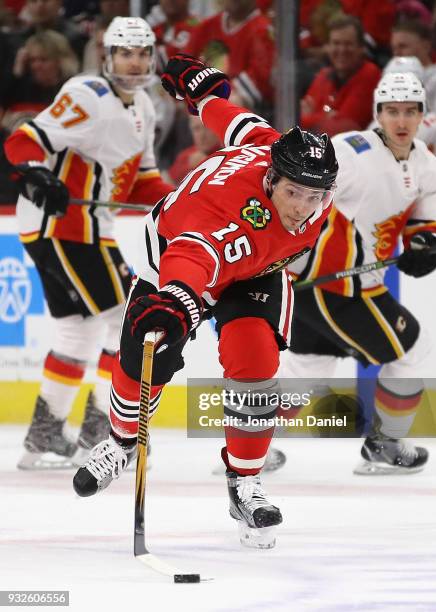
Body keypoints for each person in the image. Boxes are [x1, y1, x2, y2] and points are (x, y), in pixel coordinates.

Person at [72, 54, 338, 550]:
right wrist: (176, 302)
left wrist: (205, 99)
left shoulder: (272, 150)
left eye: (316, 196)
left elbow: (239, 125)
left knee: (255, 359)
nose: (304, 207)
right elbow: (192, 256)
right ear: (270, 181)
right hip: (179, 259)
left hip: (251, 273)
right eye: (295, 193)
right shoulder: (223, 216)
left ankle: (245, 484)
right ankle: (121, 439)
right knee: (142, 357)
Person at [4, 16, 173, 470]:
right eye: (125, 52)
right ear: (107, 55)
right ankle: (104, 433)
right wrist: (37, 173)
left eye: (141, 53)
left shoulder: (145, 107)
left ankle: (43, 438)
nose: (134, 62)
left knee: (77, 332)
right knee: (127, 319)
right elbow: (24, 140)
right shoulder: (86, 94)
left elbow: (143, 181)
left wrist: (182, 203)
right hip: (61, 226)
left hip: (92, 230)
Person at [281, 71, 436, 475]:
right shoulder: (350, 152)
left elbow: (425, 225)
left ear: (422, 114)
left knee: (309, 367)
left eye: (409, 111)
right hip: (335, 284)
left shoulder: (425, 163)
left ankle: (247, 442)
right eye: (391, 111)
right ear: (377, 114)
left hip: (347, 284)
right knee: (412, 349)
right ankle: (383, 444)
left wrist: (426, 247)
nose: (400, 121)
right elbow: (299, 193)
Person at [300, 15, 381, 136]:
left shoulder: (370, 74)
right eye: (336, 43)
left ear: (361, 48)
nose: (342, 50)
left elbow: (343, 128)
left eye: (348, 44)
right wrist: (325, 117)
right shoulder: (324, 75)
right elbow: (297, 120)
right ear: (327, 47)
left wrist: (310, 117)